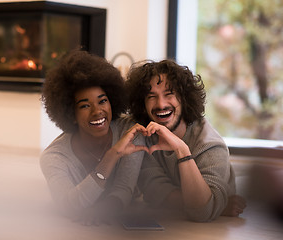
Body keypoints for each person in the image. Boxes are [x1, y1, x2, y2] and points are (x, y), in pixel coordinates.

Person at [125, 59, 247, 222]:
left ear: (184, 98)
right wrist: (214, 204)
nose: (161, 104)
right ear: (143, 104)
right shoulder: (145, 136)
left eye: (169, 94)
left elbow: (201, 212)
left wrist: (181, 149)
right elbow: (154, 193)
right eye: (151, 97)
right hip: (172, 225)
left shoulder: (210, 145)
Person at [40, 50, 148, 225]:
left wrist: (102, 209)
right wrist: (111, 156)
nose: (97, 111)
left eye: (102, 101)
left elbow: (124, 189)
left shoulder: (130, 131)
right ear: (71, 114)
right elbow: (68, 206)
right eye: (84, 105)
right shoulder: (54, 157)